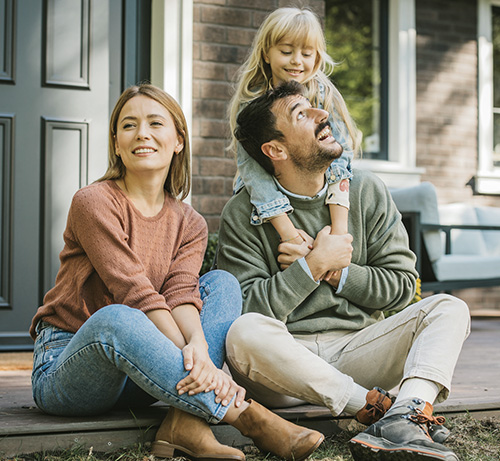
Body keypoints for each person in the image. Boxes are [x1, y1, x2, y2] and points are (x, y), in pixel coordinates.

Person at [29, 83, 325, 461]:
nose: (142, 134)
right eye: (129, 125)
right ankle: (249, 417)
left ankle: (184, 423)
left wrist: (199, 346)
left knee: (222, 284)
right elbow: (133, 290)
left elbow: (182, 293)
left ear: (178, 140)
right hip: (69, 367)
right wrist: (193, 353)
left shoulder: (189, 222)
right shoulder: (93, 202)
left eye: (155, 123)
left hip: (147, 369)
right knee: (118, 318)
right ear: (117, 143)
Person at [217, 81, 471, 461]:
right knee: (242, 331)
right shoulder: (241, 213)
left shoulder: (367, 190)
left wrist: (339, 272)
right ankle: (374, 409)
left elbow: (403, 286)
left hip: (359, 347)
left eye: (313, 107)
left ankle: (408, 411)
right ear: (276, 149)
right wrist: (313, 265)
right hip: (284, 362)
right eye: (301, 115)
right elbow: (246, 306)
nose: (323, 115)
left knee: (450, 309)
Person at [228, 7, 359, 280]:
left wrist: (338, 233)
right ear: (266, 52)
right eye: (286, 51)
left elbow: (339, 158)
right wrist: (290, 235)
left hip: (323, 195)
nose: (297, 61)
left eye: (306, 54)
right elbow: (254, 176)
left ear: (318, 57)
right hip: (267, 198)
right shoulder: (252, 106)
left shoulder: (322, 95)